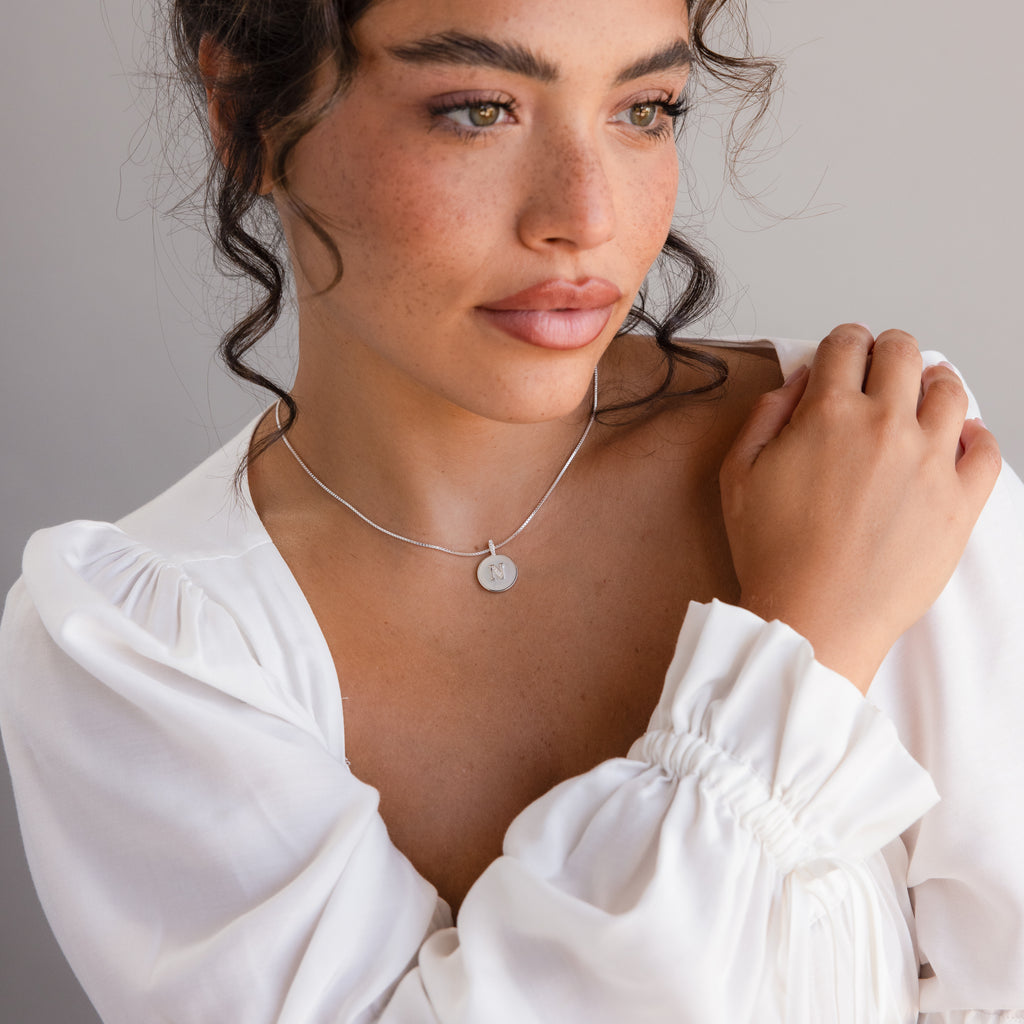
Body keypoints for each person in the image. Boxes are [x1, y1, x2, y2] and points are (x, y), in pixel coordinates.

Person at [1, 0, 1022, 1020]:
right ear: (243, 116)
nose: (586, 217)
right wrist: (810, 642)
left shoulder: (874, 458)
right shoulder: (138, 643)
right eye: (478, 109)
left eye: (645, 109)